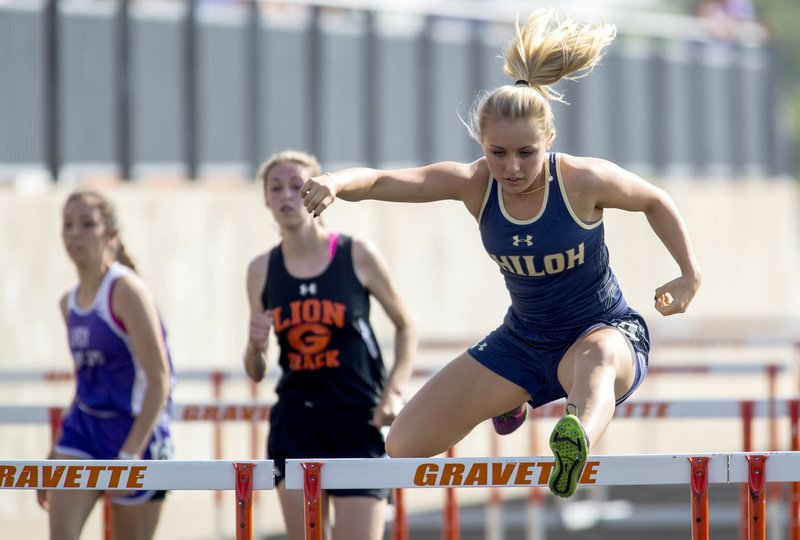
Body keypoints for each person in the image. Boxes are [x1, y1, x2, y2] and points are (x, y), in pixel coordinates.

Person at [300, 9, 702, 499]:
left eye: (526, 154)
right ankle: (516, 397)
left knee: (595, 361)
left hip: (604, 332)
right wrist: (335, 182)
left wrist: (688, 274)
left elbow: (654, 200)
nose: (511, 167)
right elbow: (387, 181)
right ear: (482, 144)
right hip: (523, 339)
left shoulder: (581, 180)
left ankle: (574, 445)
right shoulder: (474, 184)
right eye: (498, 152)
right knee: (404, 443)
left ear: (548, 142)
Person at [244, 150, 417, 539]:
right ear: (266, 199)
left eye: (297, 185)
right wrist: (254, 348)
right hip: (296, 421)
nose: (287, 195)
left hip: (357, 418)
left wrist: (394, 393)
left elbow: (406, 327)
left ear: (319, 191)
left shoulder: (356, 254)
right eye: (276, 188)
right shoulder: (261, 270)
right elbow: (255, 371)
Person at [38, 189, 174, 539]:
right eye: (67, 225)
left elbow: (159, 380)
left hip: (134, 431)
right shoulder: (67, 303)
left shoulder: (127, 291)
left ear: (110, 235)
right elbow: (86, 382)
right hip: (83, 431)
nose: (74, 233)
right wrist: (54, 451)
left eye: (87, 224)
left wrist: (130, 454)